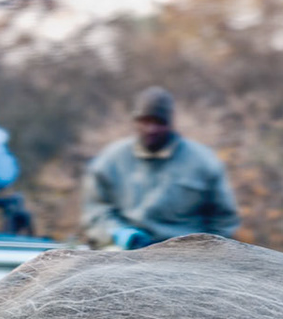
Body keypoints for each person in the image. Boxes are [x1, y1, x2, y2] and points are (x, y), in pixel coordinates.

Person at [81, 86, 238, 250]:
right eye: (145, 121)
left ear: (170, 123)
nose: (151, 129)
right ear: (135, 122)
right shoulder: (110, 160)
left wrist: (208, 250)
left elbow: (224, 219)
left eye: (159, 122)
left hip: (185, 253)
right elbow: (95, 210)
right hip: (126, 251)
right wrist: (116, 232)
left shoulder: (203, 161)